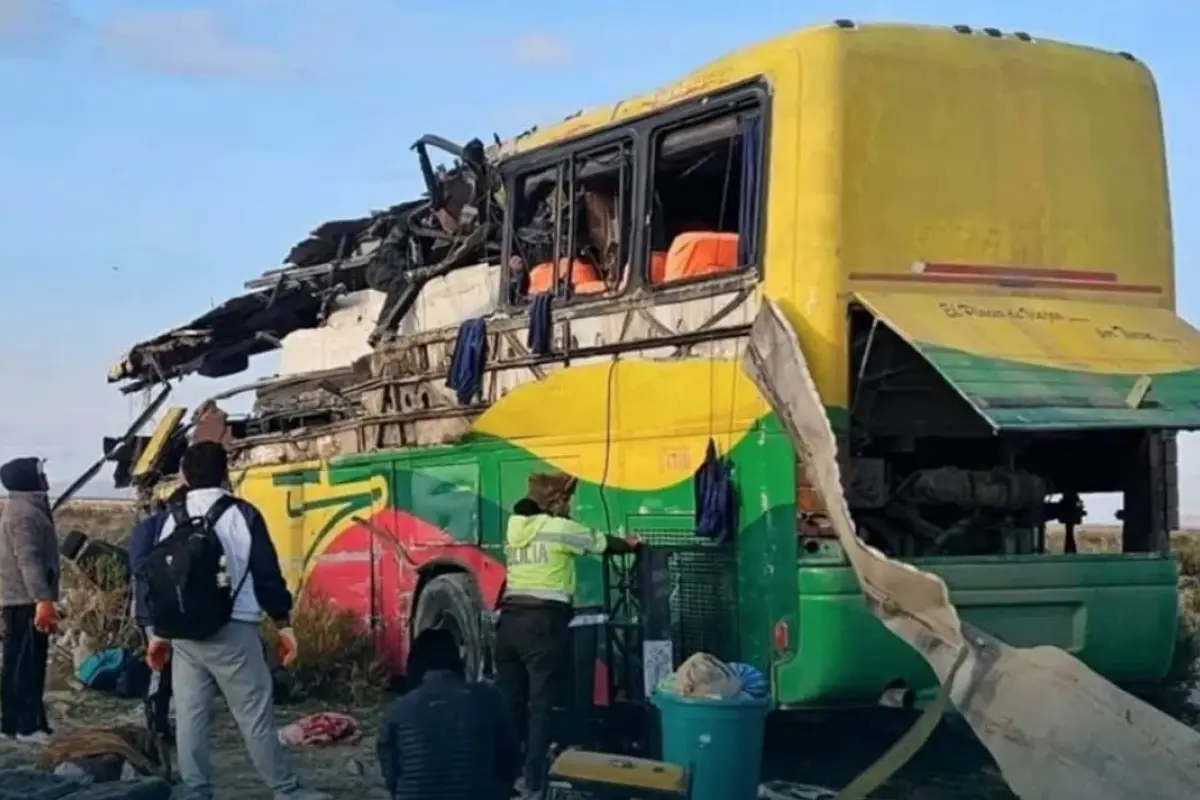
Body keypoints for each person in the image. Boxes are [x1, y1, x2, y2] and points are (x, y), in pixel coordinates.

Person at [130, 442, 329, 800]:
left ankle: (195, 789)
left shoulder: (172, 516)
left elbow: (156, 577)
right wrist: (283, 623)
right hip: (233, 631)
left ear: (186, 476)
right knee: (253, 714)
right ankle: (286, 789)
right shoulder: (242, 514)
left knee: (191, 715)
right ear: (226, 472)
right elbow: (266, 574)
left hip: (183, 635)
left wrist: (158, 634)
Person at [496, 472, 640, 799]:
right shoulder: (558, 529)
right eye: (567, 500)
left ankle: (503, 776)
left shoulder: (515, 530)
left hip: (509, 625)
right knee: (541, 707)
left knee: (510, 705)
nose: (570, 506)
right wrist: (628, 544)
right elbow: (599, 543)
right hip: (543, 626)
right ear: (556, 502)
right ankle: (532, 782)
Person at [376, 628, 519, 800]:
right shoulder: (489, 700)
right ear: (457, 660)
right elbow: (509, 763)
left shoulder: (397, 711)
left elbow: (391, 776)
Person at [0, 457, 59, 744]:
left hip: (24, 599)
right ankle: (26, 727)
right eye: (40, 473)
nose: (45, 478)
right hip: (25, 600)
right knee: (26, 663)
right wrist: (42, 599)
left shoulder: (26, 508)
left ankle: (15, 723)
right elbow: (28, 560)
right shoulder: (24, 513)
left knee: (19, 661)